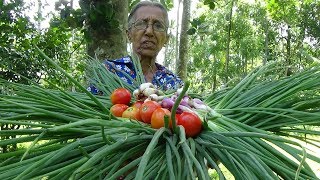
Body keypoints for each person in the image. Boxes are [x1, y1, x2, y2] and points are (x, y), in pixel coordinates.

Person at [88, 1, 183, 95]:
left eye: (158, 26)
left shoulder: (174, 83)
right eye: (141, 23)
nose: (149, 32)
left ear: (166, 39)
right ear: (129, 34)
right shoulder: (109, 71)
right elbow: (87, 106)